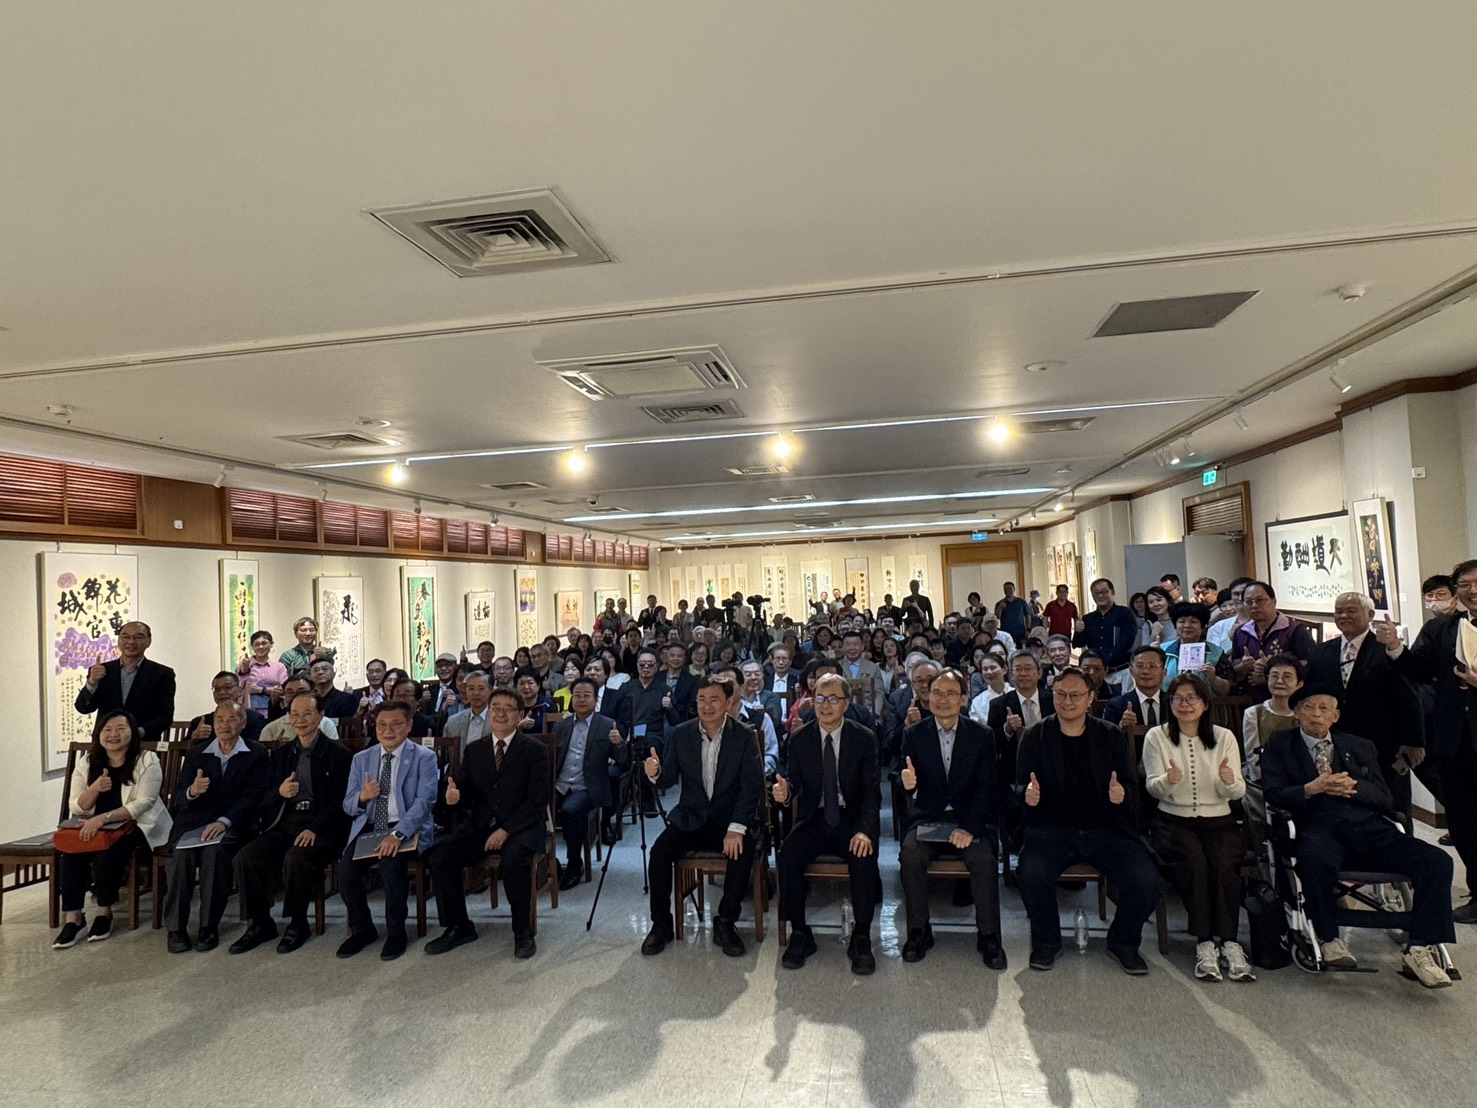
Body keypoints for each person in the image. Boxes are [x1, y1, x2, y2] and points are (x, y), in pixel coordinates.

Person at [1260, 684, 1457, 986]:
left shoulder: (1359, 745)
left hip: (1369, 829)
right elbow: (1273, 793)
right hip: (1319, 829)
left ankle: (1420, 947)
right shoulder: (1280, 744)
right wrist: (1311, 789)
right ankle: (1329, 938)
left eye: (1324, 708)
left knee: (1437, 862)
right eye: (1308, 708)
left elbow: (1384, 797)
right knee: (1313, 859)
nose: (1316, 714)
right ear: (1296, 714)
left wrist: (1354, 787)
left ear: (1335, 716)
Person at [1016, 667, 1162, 974]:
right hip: (1052, 829)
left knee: (1146, 880)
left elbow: (1130, 786)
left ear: (1090, 698)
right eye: (1060, 694)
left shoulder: (1110, 735)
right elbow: (1018, 787)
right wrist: (1027, 795)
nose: (1067, 701)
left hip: (1106, 828)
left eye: (1075, 695)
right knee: (1031, 873)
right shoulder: (1035, 735)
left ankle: (1123, 942)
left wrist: (1122, 795)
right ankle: (1046, 942)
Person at [1377, 558, 1477, 923]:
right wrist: (1394, 647)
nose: (1472, 591)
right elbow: (1418, 670)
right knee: (1463, 823)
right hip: (1453, 740)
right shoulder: (1441, 628)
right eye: (1464, 585)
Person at [640, 676, 765, 958]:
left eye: (714, 700)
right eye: (702, 700)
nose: (707, 706)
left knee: (742, 851)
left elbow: (752, 786)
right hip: (691, 818)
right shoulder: (681, 734)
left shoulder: (743, 735)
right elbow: (668, 779)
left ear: (728, 702)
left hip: (728, 820)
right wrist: (654, 772)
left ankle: (726, 921)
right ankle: (661, 924)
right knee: (659, 853)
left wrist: (736, 828)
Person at [423, 688, 550, 959]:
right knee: (440, 857)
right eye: (495, 708)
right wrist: (453, 796)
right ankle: (459, 925)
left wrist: (506, 830)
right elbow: (462, 789)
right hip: (481, 825)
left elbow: (537, 801)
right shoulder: (475, 750)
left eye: (508, 709)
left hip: (522, 826)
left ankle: (522, 930)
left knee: (515, 860)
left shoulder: (534, 750)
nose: (500, 714)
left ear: (519, 715)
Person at [1142, 674, 1253, 982]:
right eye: (1178, 698)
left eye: (1192, 698)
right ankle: (1205, 942)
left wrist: (1228, 782)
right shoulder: (1157, 736)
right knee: (1195, 863)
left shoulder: (1224, 737)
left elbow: (1239, 792)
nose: (1185, 704)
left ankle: (1229, 942)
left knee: (1224, 865)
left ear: (1205, 703)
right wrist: (1168, 781)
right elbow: (1152, 788)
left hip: (1220, 821)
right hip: (1172, 821)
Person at [897, 669, 1006, 970]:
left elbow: (988, 787)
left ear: (963, 699)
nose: (942, 700)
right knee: (911, 854)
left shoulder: (981, 735)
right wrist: (907, 783)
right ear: (927, 697)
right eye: (937, 693)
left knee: (982, 858)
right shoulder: (914, 734)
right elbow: (900, 776)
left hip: (970, 818)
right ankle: (919, 931)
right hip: (929, 817)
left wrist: (969, 828)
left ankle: (989, 936)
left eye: (950, 694)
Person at [773, 673, 882, 974]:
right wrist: (785, 793)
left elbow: (872, 793)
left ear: (846, 704)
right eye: (819, 698)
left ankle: (861, 936)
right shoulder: (800, 738)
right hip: (815, 817)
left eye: (833, 699)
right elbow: (793, 783)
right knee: (788, 855)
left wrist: (865, 830)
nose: (825, 705)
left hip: (851, 817)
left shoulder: (863, 738)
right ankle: (800, 932)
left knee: (863, 855)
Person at [229, 692, 352, 955]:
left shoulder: (339, 754)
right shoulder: (281, 754)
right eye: (294, 714)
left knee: (297, 856)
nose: (300, 720)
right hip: (286, 822)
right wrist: (280, 792)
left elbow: (341, 802)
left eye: (307, 714)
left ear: (321, 716)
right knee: (246, 857)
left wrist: (315, 828)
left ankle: (298, 922)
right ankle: (260, 923)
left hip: (324, 826)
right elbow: (262, 797)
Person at [53, 709, 171, 949]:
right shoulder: (87, 762)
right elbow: (76, 805)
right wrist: (95, 788)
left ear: (132, 732)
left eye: (120, 729)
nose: (113, 734)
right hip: (92, 824)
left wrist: (104, 818)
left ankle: (104, 912)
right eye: (107, 729)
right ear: (99, 734)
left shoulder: (146, 759)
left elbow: (144, 802)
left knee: (108, 852)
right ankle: (74, 918)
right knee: (71, 855)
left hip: (136, 824)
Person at [336, 702, 439, 961]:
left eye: (395, 724)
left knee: (391, 865)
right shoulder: (361, 759)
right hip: (370, 827)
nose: (388, 731)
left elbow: (425, 802)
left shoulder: (424, 757)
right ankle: (362, 929)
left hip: (407, 827)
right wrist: (363, 797)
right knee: (346, 869)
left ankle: (396, 932)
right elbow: (348, 805)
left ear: (409, 726)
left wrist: (398, 834)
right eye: (382, 725)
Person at [163, 702, 268, 953]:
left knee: (215, 853)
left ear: (243, 723)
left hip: (233, 823)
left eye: (232, 719)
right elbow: (179, 796)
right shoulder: (196, 753)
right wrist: (193, 791)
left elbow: (254, 796)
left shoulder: (256, 753)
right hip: (193, 823)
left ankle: (208, 927)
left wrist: (224, 821)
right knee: (181, 856)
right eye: (220, 719)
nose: (225, 725)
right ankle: (175, 929)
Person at [1309, 592, 1425, 812]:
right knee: (1348, 804)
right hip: (1339, 742)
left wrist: (1414, 740)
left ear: (1370, 614)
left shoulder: (1387, 650)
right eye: (1338, 611)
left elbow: (1410, 696)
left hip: (1385, 745)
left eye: (1351, 610)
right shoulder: (1320, 652)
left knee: (1393, 805)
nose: (1343, 616)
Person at [551, 678, 626, 889]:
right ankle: (548, 861)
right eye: (577, 695)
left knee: (570, 811)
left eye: (587, 695)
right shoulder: (561, 725)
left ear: (595, 699)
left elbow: (623, 761)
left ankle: (575, 863)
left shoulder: (607, 724)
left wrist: (619, 743)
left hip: (588, 786)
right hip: (559, 782)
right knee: (534, 808)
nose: (582, 700)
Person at [74, 621, 176, 741]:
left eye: (138, 637)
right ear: (119, 640)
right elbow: (83, 708)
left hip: (143, 743)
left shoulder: (162, 674)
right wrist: (92, 682)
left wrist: (137, 733)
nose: (131, 641)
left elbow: (165, 716)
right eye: (126, 637)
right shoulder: (102, 671)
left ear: (149, 641)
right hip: (105, 744)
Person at [1230, 581, 1317, 693]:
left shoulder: (1295, 630)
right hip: (1248, 697)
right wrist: (1243, 666)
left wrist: (1269, 673)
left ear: (1274, 601)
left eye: (1260, 600)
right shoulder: (1240, 632)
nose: (1254, 606)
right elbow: (1235, 671)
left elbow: (1308, 667)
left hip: (1288, 697)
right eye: (1249, 602)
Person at [1240, 654, 1303, 809]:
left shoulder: (1304, 715)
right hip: (1261, 784)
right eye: (1274, 676)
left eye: (1287, 677)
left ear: (1299, 684)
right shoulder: (1254, 713)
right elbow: (1253, 758)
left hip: (1299, 784)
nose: (1279, 681)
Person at [1073, 578, 1140, 679]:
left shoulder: (1125, 613)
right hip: (1095, 673)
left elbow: (1127, 641)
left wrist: (1104, 661)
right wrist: (1078, 631)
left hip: (1120, 671)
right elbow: (1079, 643)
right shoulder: (1088, 618)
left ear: (1112, 593)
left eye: (1104, 592)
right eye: (1096, 593)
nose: (1100, 596)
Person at [1160, 603, 1232, 697]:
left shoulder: (1216, 652)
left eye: (1193, 621)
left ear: (1202, 626)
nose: (1187, 625)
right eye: (1182, 621)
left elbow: (1227, 691)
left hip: (1207, 704)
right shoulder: (1162, 650)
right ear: (1175, 626)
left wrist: (1213, 677)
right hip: (1169, 703)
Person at [185, 671, 265, 744]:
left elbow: (257, 749)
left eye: (228, 687)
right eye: (217, 689)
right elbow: (182, 750)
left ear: (240, 691)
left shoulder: (255, 719)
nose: (222, 692)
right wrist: (194, 737)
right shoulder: (201, 722)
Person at [1102, 647, 1169, 730]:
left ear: (1164, 672)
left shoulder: (1173, 703)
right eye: (1140, 666)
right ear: (1131, 671)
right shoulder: (1115, 705)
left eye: (1152, 666)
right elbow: (1106, 735)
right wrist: (1121, 726)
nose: (1145, 671)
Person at [259, 676, 341, 743]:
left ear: (313, 692)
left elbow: (334, 753)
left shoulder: (326, 724)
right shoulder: (270, 729)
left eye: (301, 691)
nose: (296, 696)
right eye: (290, 692)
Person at [237, 631, 288, 719]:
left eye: (264, 643)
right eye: (256, 644)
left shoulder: (279, 667)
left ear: (271, 644)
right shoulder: (245, 665)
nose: (260, 647)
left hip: (274, 710)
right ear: (252, 646)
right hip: (249, 711)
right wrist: (244, 670)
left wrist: (261, 690)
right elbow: (242, 687)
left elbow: (283, 690)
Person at [443, 671, 494, 752]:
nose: (476, 693)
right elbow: (444, 753)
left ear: (491, 691)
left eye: (481, 688)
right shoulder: (453, 722)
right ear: (466, 691)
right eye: (471, 689)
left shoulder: (500, 720)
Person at [1207, 577, 1254, 654]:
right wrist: (1233, 640)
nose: (1240, 598)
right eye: (1236, 594)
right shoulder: (1217, 628)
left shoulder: (1266, 622)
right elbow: (1214, 658)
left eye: (1244, 593)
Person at [968, 653, 1012, 726]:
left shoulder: (1016, 693)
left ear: (1004, 669)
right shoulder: (977, 702)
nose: (989, 672)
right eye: (985, 669)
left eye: (993, 668)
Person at [514, 668, 554, 732]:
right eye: (521, 683)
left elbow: (554, 732)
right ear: (516, 686)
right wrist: (519, 727)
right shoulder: (511, 706)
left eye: (530, 683)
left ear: (538, 685)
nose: (526, 687)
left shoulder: (548, 705)